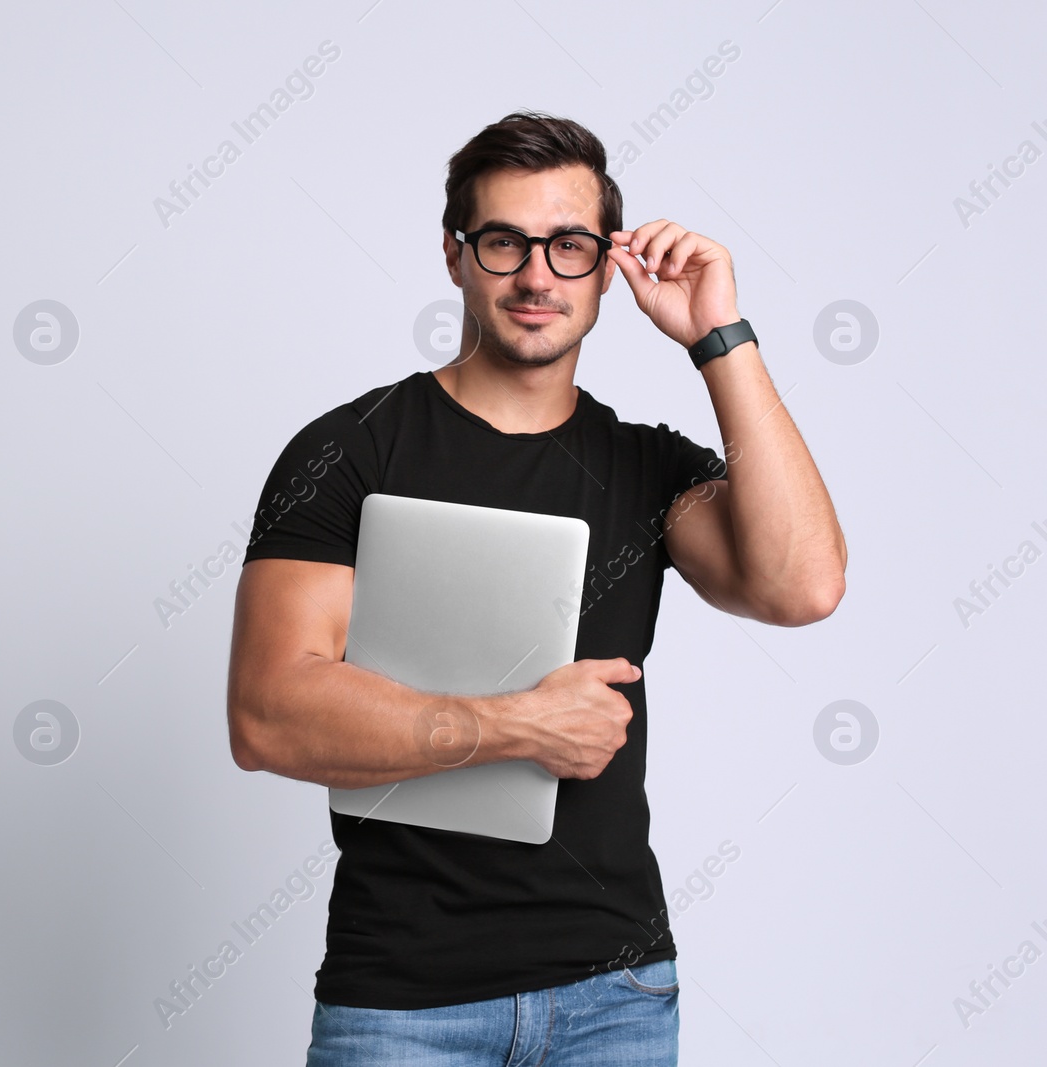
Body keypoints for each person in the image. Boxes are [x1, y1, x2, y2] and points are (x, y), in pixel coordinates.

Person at [225, 110, 847, 1066]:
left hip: (618, 994)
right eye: (505, 241)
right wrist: (518, 724)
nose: (535, 276)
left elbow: (803, 584)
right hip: (402, 1002)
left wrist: (721, 336)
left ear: (608, 264)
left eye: (568, 246)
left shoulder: (648, 469)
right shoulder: (346, 452)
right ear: (455, 255)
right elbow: (268, 716)